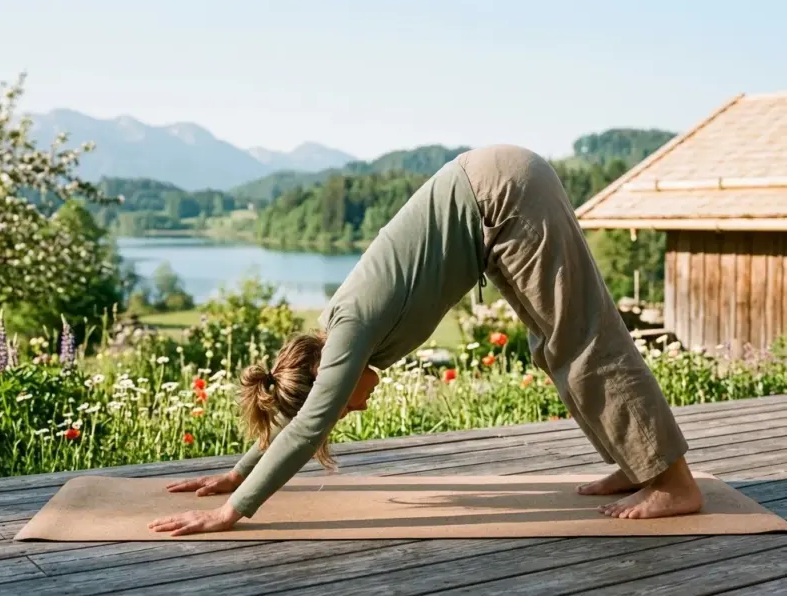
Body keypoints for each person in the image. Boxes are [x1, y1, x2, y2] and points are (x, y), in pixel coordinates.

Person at [148, 144, 703, 537]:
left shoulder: (348, 336)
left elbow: (306, 426)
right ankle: (638, 465)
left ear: (329, 381)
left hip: (504, 195)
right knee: (555, 345)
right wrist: (237, 471)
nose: (351, 410)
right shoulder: (342, 336)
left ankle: (674, 483)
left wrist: (234, 511)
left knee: (583, 340)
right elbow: (303, 420)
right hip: (495, 198)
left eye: (340, 406)